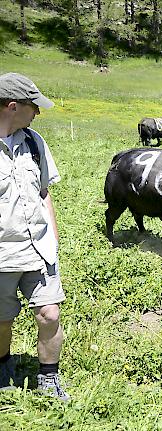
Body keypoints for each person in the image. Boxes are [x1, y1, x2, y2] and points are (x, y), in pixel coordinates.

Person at [0, 73, 69, 401]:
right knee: (1, 321)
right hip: (2, 255)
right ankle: (3, 364)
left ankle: (48, 377)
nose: (38, 113)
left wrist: (53, 240)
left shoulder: (34, 142)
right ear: (12, 107)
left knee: (50, 314)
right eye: (33, 107)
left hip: (38, 248)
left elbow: (43, 192)